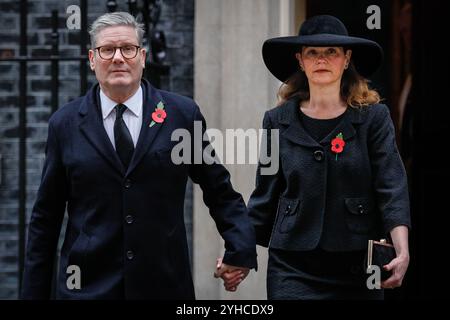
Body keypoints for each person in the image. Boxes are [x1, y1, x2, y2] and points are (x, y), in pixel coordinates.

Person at [21, 12, 256, 299]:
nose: (118, 57)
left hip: (164, 284)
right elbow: (46, 218)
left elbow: (219, 191)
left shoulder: (181, 115)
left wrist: (240, 248)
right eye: (107, 49)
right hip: (87, 288)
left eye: (128, 48)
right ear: (92, 59)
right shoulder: (64, 124)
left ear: (142, 57)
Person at [245, 15, 411, 299]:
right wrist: (240, 252)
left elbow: (391, 185)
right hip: (292, 266)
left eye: (331, 52)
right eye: (313, 53)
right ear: (300, 60)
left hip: (358, 266)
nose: (321, 59)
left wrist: (402, 248)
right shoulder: (276, 120)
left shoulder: (373, 118)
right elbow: (265, 194)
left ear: (347, 59)